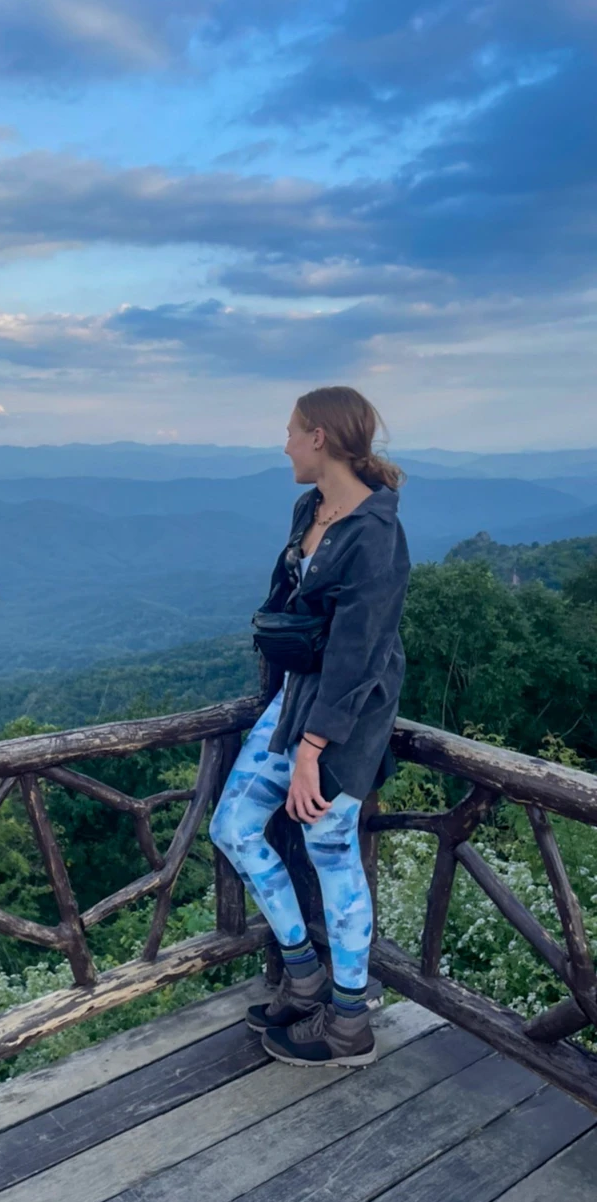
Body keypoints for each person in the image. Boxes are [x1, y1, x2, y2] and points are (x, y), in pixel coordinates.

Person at [209, 385, 410, 1067]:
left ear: (320, 436)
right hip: (298, 696)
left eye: (292, 431)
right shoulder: (312, 508)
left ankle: (349, 1022)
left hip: (346, 715)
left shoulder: (375, 535)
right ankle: (304, 976)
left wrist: (311, 752)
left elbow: (358, 653)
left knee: (330, 848)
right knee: (233, 826)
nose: (285, 442)